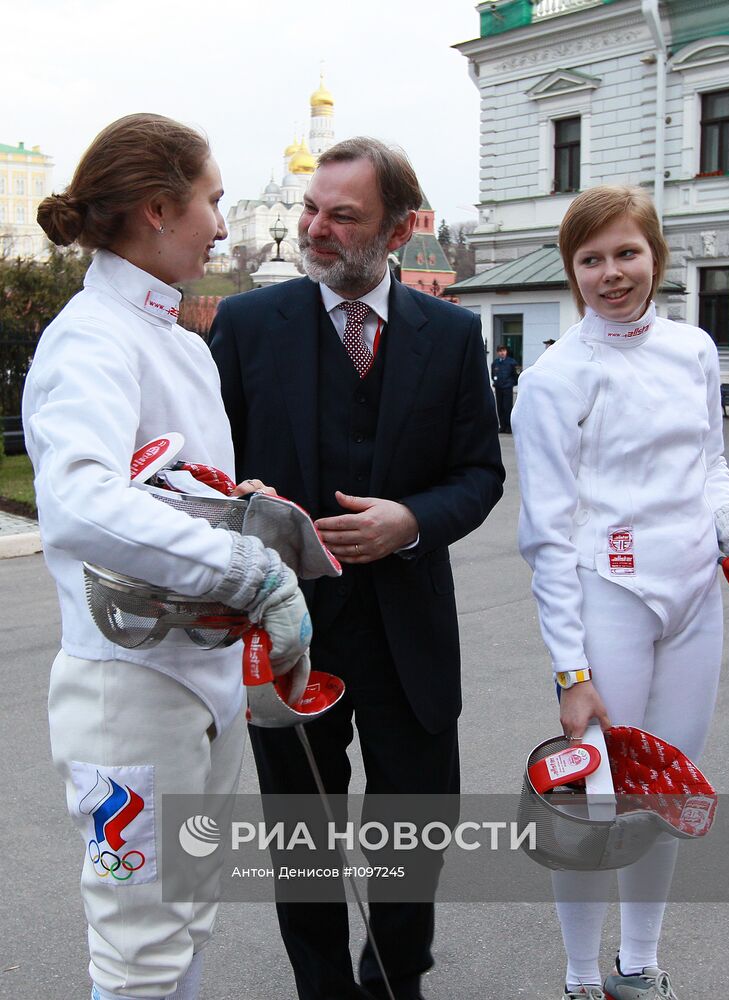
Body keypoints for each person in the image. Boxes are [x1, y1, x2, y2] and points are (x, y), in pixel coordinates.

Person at [22, 113, 311, 1000]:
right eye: (213, 202)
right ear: (157, 208)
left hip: (206, 681)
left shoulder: (177, 340)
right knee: (138, 946)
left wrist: (239, 510)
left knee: (186, 918)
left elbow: (167, 481)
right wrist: (248, 570)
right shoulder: (92, 335)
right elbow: (80, 500)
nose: (224, 225)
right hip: (130, 695)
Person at [210, 136, 504, 1000]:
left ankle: (394, 976)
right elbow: (208, 469)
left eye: (344, 216)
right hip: (290, 631)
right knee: (301, 830)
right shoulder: (247, 324)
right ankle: (322, 987)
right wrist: (240, 503)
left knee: (417, 825)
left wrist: (414, 519)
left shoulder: (451, 335)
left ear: (401, 228)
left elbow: (480, 474)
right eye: (311, 210)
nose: (317, 229)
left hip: (409, 630)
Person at [511, 185, 729, 1000]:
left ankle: (639, 964)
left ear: (655, 256)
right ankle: (580, 974)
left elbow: (710, 468)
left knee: (668, 789)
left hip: (694, 595)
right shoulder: (555, 379)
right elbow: (547, 537)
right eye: (590, 260)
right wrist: (571, 671)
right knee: (597, 801)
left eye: (626, 253)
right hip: (610, 599)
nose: (611, 273)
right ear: (573, 272)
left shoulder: (694, 349)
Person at [491, 343, 520, 433]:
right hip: (499, 387)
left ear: (506, 352)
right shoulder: (495, 363)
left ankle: (508, 426)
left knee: (507, 407)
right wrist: (496, 382)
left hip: (507, 387)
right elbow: (493, 374)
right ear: (497, 352)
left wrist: (512, 383)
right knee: (499, 407)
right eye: (500, 351)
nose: (502, 353)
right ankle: (502, 426)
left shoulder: (512, 362)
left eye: (503, 351)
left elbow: (517, 374)